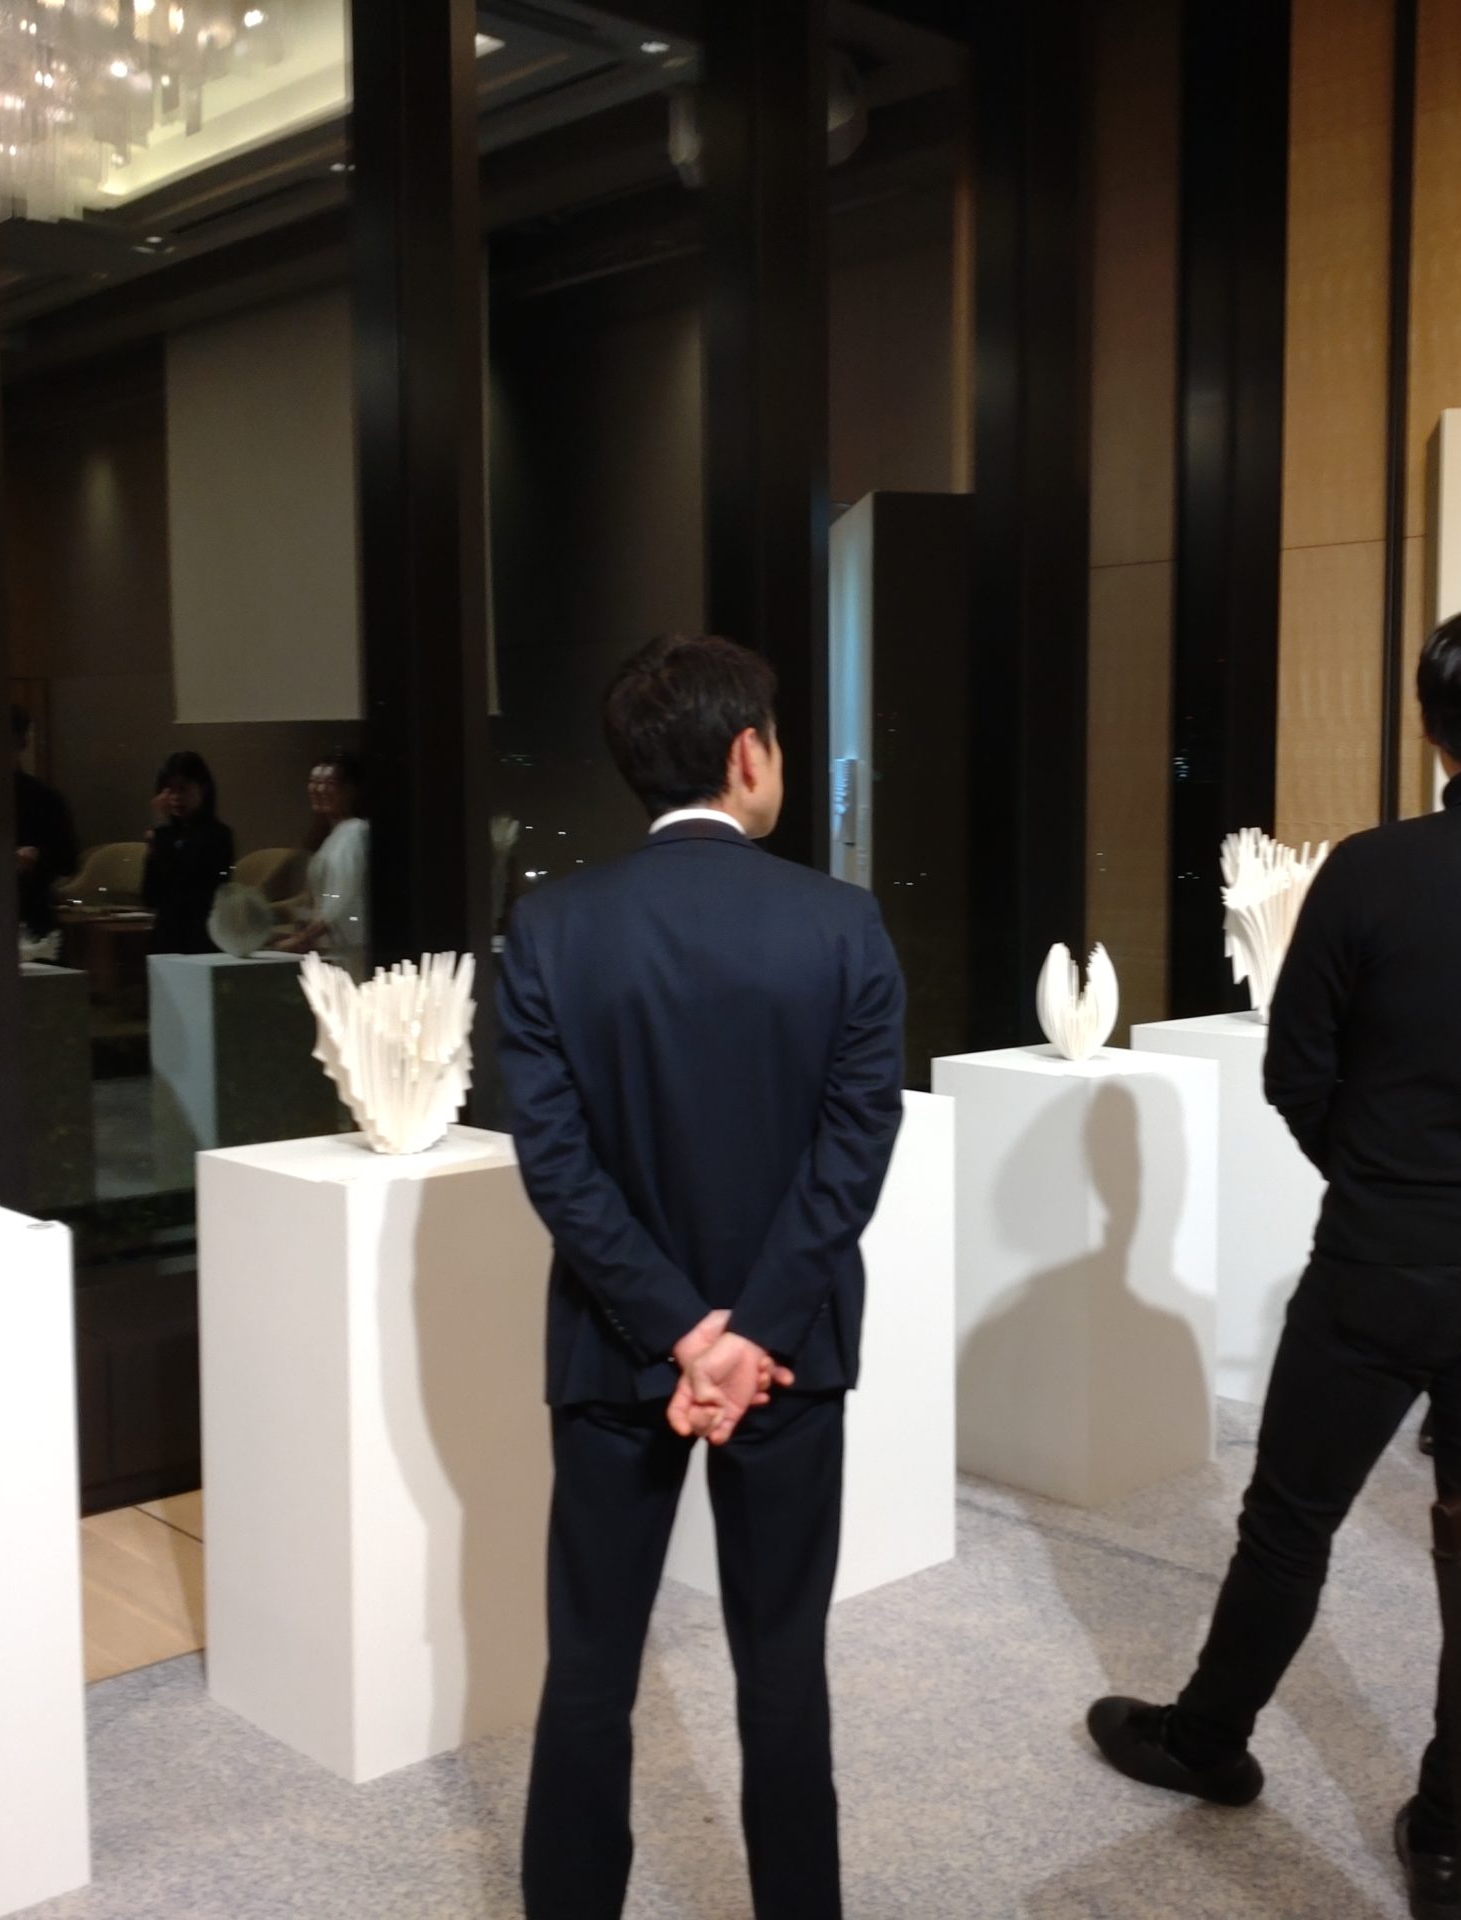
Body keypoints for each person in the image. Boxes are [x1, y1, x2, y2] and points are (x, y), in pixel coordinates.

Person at [1084, 600, 1461, 1919]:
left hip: (1386, 1255)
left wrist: (1385, 1175)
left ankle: (1208, 1738)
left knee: (1293, 1515)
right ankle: (1451, 1833)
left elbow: (1298, 1071)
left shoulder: (1371, 871)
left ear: (1432, 730)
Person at [498, 633, 905, 1920]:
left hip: (613, 1348)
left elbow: (557, 1168)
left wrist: (679, 1331)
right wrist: (750, 1332)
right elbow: (853, 1153)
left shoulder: (551, 925)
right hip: (790, 1357)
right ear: (747, 754)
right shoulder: (840, 923)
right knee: (782, 1668)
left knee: (588, 1669)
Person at [269, 749, 368, 976]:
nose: (318, 789)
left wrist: (303, 937)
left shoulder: (355, 832)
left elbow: (342, 902)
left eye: (329, 783)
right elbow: (316, 899)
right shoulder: (334, 835)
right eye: (314, 782)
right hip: (332, 948)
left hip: (347, 950)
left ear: (351, 790)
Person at [142, 751, 236, 955]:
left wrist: (161, 832)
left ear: (203, 788)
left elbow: (185, 887)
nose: (175, 797)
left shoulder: (218, 835)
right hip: (166, 934)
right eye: (169, 789)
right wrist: (155, 845)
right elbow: (150, 896)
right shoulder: (165, 836)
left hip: (200, 936)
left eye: (183, 789)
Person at [12, 705, 81, 943]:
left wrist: (36, 856)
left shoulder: (43, 798)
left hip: (30, 911)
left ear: (21, 742)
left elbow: (68, 859)